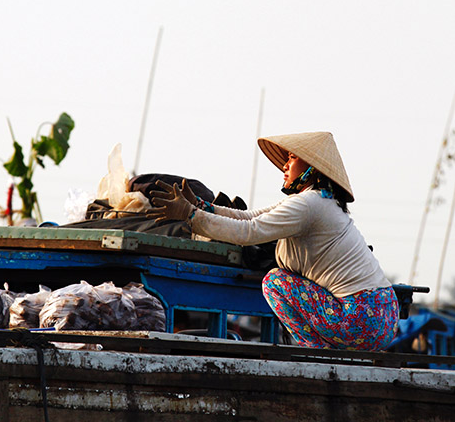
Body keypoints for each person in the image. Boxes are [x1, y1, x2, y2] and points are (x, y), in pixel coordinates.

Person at [147, 131, 399, 351]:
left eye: (292, 158)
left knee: (275, 281)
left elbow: (249, 232)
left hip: (360, 318)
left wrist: (190, 216)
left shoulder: (309, 204)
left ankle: (317, 351)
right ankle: (322, 351)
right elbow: (250, 216)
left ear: (311, 167)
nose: (285, 166)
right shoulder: (320, 200)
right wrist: (202, 207)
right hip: (382, 315)